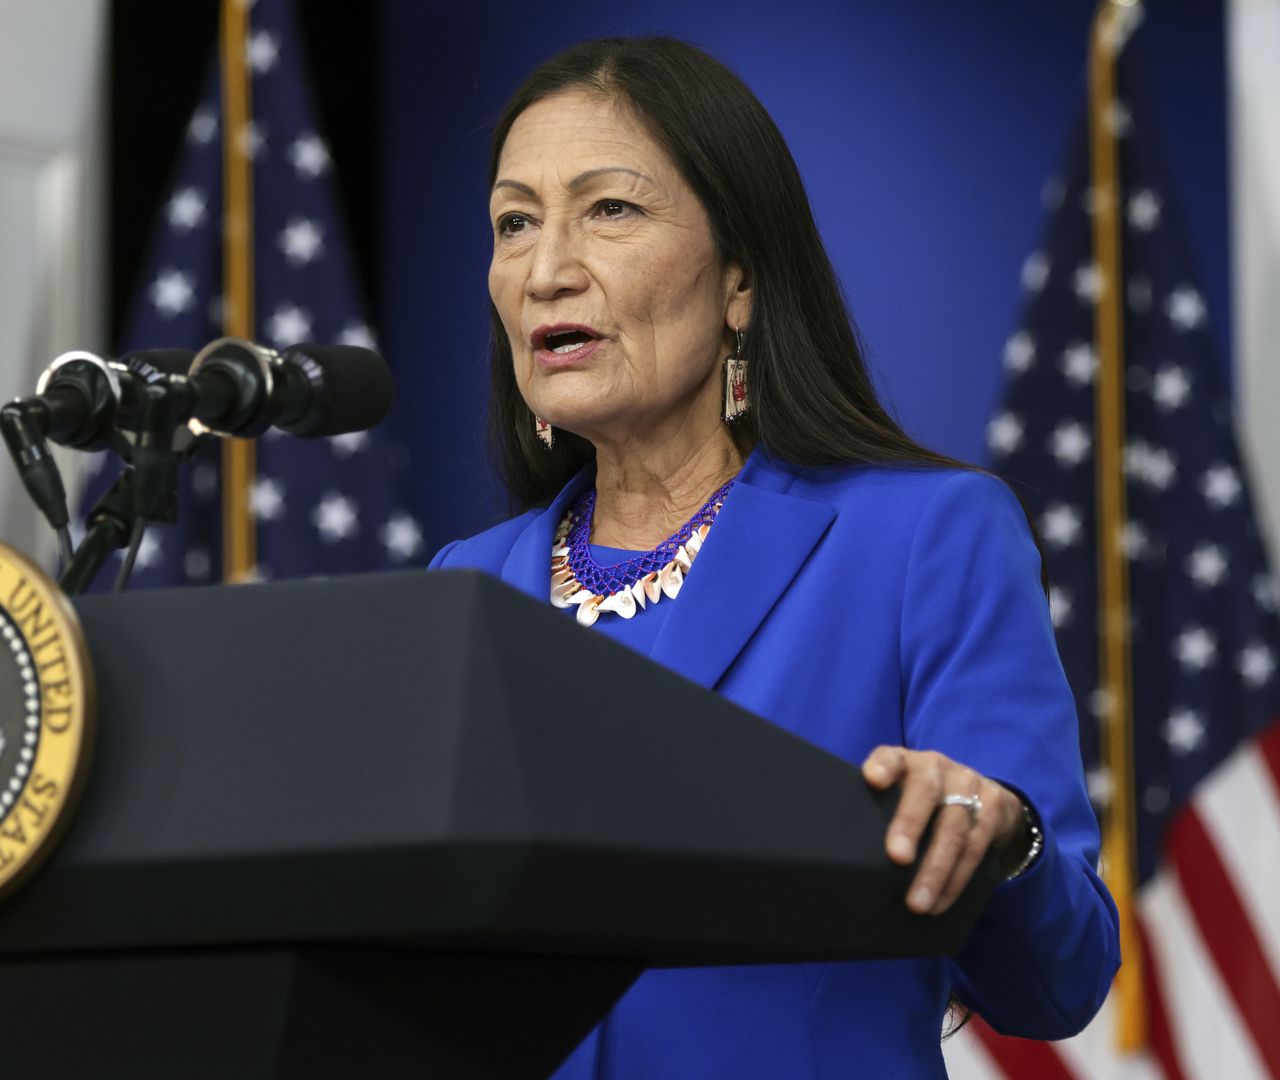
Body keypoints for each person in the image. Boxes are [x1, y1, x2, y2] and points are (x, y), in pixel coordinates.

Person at [428, 37, 1120, 1078]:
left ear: (741, 279)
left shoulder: (925, 540)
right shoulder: (464, 587)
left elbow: (1059, 983)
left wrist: (1003, 839)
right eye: (514, 222)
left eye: (609, 209)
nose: (545, 269)